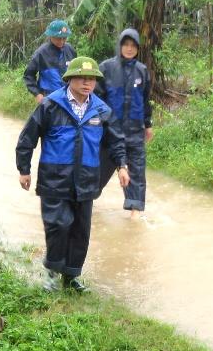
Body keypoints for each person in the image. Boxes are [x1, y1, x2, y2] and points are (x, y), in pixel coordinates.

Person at [16, 56, 130, 292]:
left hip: (86, 180)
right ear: (70, 79)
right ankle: (51, 273)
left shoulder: (101, 110)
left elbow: (116, 141)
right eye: (82, 78)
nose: (87, 83)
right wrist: (24, 170)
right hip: (54, 178)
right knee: (59, 225)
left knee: (80, 230)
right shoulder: (51, 105)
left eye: (91, 79)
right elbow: (28, 137)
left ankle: (71, 277)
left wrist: (122, 166)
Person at [96, 28, 152, 215]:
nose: (129, 48)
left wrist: (148, 124)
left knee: (136, 173)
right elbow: (96, 100)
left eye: (133, 45)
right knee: (98, 173)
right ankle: (85, 202)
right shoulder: (106, 68)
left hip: (135, 132)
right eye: (125, 45)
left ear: (137, 48)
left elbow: (145, 101)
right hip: (110, 133)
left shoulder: (142, 71)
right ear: (120, 46)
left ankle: (135, 215)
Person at [23, 19, 76, 103]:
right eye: (58, 38)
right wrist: (37, 94)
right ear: (50, 36)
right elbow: (28, 75)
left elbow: (76, 73)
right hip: (49, 98)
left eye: (64, 38)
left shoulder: (70, 50)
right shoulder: (41, 53)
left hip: (69, 97)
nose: (62, 41)